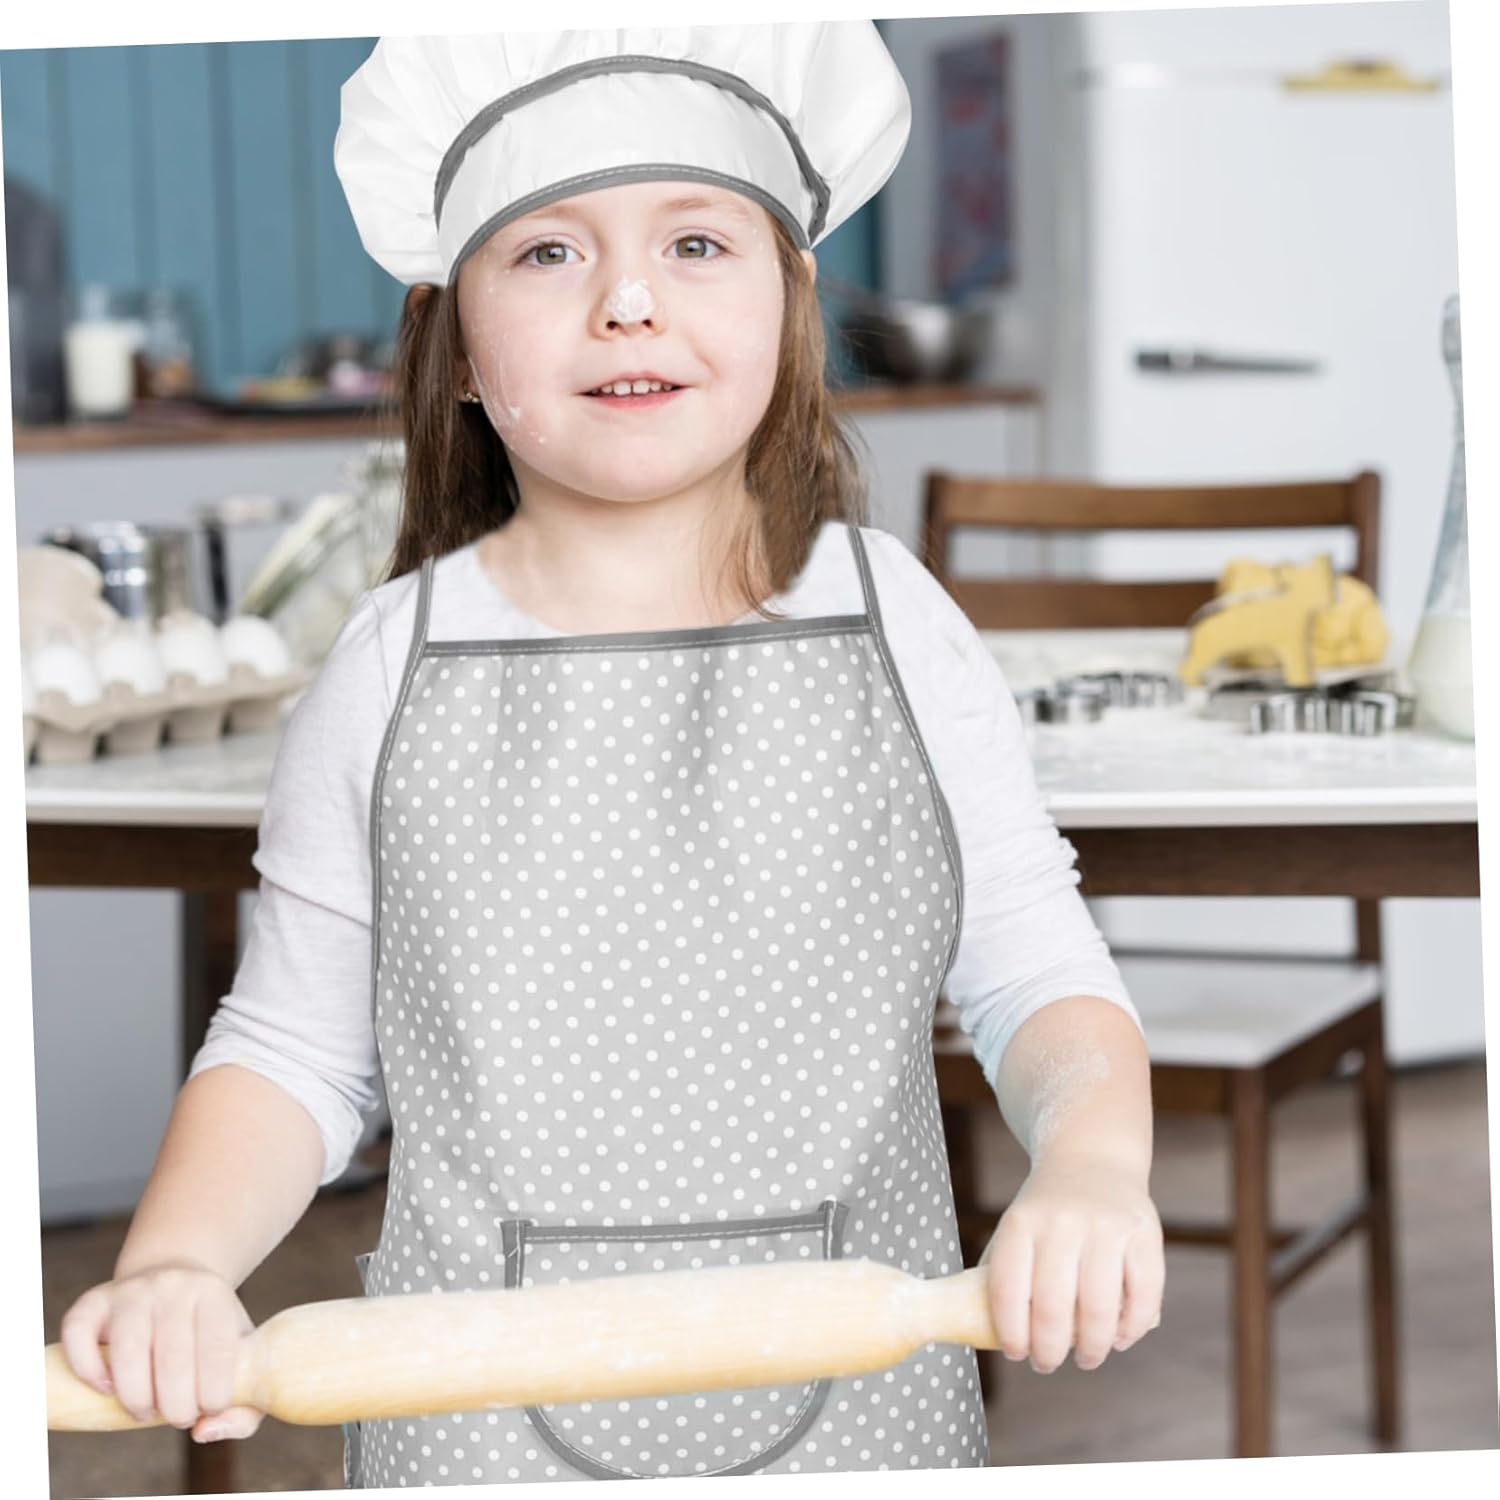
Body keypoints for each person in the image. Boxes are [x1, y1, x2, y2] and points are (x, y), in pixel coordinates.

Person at [57, 22, 1164, 1485]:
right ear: (456, 343)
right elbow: (295, 1050)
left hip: (867, 1417)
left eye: (696, 243)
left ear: (792, 304)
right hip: (470, 1425)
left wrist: (1092, 1166)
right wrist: (178, 1260)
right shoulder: (389, 667)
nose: (629, 301)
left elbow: (1035, 972)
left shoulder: (898, 625)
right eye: (548, 252)